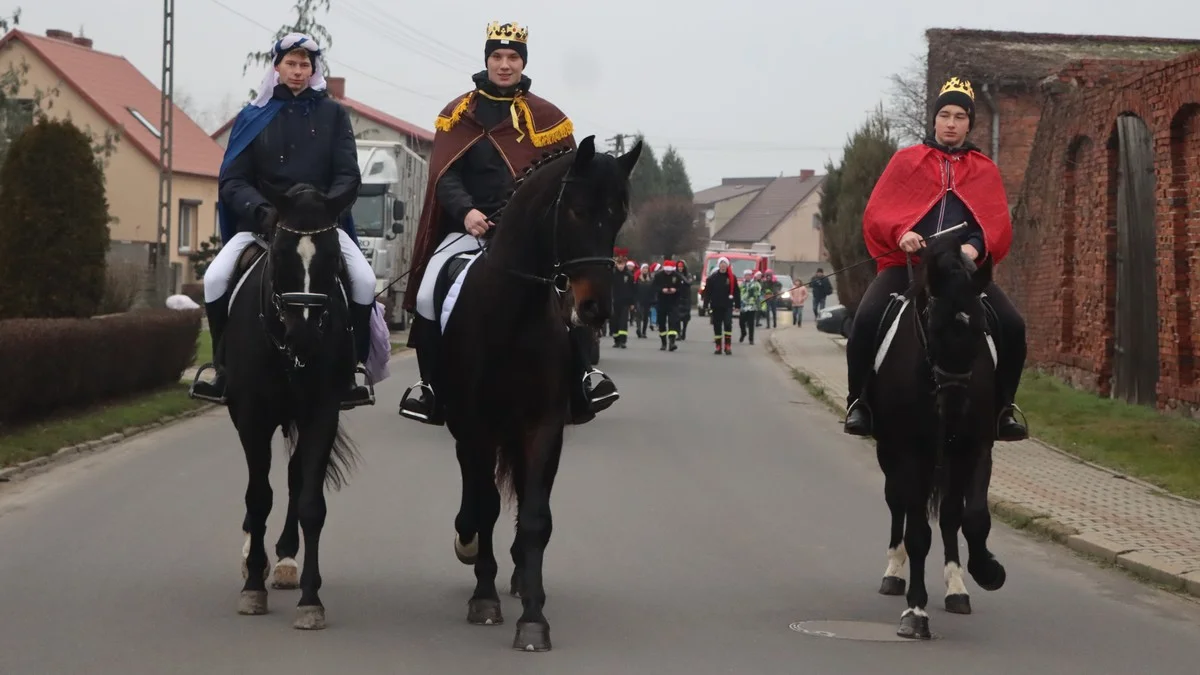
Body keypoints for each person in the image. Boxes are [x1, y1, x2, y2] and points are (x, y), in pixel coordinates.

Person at [397, 21, 616, 426]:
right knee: (429, 294)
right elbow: (445, 176)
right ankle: (429, 388)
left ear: (523, 62)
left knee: (565, 294)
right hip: (470, 230)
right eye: (497, 57)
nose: (504, 64)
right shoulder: (458, 114)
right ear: (486, 60)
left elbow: (567, 185)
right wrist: (466, 212)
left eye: (512, 57)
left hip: (531, 240)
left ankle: (585, 374)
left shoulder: (549, 119)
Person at [192, 32, 376, 407]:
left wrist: (326, 208)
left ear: (313, 69)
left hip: (320, 226)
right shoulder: (252, 117)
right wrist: (262, 211)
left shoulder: (334, 115)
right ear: (277, 67)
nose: (297, 71)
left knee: (364, 281)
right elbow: (233, 180)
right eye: (290, 64)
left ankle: (351, 370)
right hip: (265, 226)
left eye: (304, 65)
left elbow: (347, 174)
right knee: (213, 279)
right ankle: (222, 369)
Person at [843, 76, 1028, 442]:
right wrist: (902, 233)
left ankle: (1004, 408)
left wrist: (975, 247)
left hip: (961, 271)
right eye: (945, 114)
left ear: (969, 123)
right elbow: (878, 212)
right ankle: (859, 402)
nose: (951, 123)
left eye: (960, 116)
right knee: (865, 320)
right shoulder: (906, 161)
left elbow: (994, 224)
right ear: (934, 119)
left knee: (1013, 325)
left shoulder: (984, 169)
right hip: (907, 267)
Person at [702, 256, 739, 355]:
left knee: (727, 324)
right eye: (721, 264)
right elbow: (707, 292)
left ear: (727, 266)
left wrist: (737, 305)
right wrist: (705, 305)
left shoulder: (732, 278)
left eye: (725, 264)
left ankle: (728, 346)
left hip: (727, 305)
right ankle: (718, 346)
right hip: (716, 305)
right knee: (717, 326)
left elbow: (736, 291)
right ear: (719, 265)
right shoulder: (712, 278)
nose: (723, 266)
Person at [653, 260, 685, 351]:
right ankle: (663, 342)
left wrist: (675, 290)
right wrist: (661, 290)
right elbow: (654, 287)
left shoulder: (677, 276)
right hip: (661, 302)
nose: (668, 272)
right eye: (667, 270)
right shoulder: (658, 276)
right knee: (661, 323)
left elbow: (682, 288)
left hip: (673, 302)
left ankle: (672, 342)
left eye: (670, 271)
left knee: (673, 322)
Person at [610, 259, 636, 348]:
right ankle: (616, 340)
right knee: (614, 322)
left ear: (625, 264)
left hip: (625, 302)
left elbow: (632, 290)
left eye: (622, 264)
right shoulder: (612, 274)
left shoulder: (629, 275)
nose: (620, 266)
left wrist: (632, 303)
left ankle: (623, 341)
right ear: (616, 264)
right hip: (614, 302)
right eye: (619, 264)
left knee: (623, 322)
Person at [738, 269, 761, 344]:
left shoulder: (755, 284)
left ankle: (751, 339)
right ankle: (743, 333)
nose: (747, 276)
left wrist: (756, 298)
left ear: (751, 276)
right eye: (746, 275)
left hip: (752, 306)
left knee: (751, 323)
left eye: (749, 275)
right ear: (744, 276)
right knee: (741, 322)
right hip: (743, 306)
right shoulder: (742, 284)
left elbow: (758, 293)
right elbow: (738, 294)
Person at [635, 264, 655, 338]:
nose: (645, 270)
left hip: (647, 300)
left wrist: (653, 300)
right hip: (639, 299)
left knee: (646, 316)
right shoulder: (637, 279)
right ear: (641, 269)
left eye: (646, 268)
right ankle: (638, 329)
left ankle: (644, 332)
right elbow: (635, 289)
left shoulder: (651, 279)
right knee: (639, 314)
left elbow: (653, 290)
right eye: (644, 268)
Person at [676, 259, 693, 340]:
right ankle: (678, 333)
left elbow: (689, 282)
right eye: (678, 267)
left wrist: (682, 277)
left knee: (685, 317)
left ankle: (684, 331)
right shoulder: (675, 275)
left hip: (686, 298)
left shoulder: (688, 275)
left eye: (681, 267)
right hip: (677, 298)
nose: (680, 268)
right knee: (677, 317)